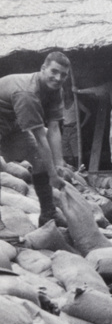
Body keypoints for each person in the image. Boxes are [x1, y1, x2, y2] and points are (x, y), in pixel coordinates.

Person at [0, 51, 71, 240]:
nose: (58, 78)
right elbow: (41, 138)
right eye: (54, 72)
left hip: (11, 122)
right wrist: (53, 176)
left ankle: (48, 213)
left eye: (63, 75)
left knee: (39, 160)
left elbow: (54, 129)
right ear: (43, 69)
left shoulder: (56, 89)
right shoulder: (27, 93)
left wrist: (59, 163)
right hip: (5, 117)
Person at [62, 85, 91, 168]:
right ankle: (71, 171)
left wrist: (80, 126)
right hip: (65, 129)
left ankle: (79, 170)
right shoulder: (61, 103)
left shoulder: (76, 101)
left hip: (74, 129)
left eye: (68, 91)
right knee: (66, 153)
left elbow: (88, 113)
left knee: (76, 154)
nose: (66, 93)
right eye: (65, 92)